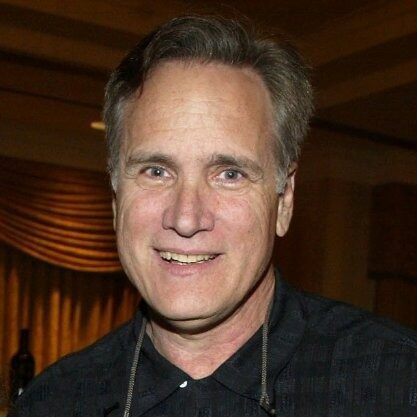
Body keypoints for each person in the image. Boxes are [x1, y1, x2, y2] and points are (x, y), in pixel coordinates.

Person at [10, 15, 417, 417]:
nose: (186, 219)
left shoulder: (396, 383)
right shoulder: (54, 402)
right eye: (156, 171)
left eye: (229, 174)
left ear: (285, 199)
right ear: (117, 199)